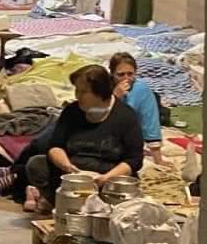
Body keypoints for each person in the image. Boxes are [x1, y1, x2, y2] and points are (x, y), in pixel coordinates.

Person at [27, 65, 143, 207]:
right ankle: (60, 202)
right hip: (74, 175)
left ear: (100, 92)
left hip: (107, 177)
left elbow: (134, 159)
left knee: (122, 190)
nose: (77, 96)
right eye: (77, 90)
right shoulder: (72, 111)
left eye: (83, 92)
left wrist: (106, 178)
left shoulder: (125, 116)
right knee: (36, 164)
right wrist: (67, 166)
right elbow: (55, 146)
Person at [109, 52, 165, 166]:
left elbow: (150, 123)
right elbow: (96, 113)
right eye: (120, 74)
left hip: (127, 138)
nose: (126, 78)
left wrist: (158, 160)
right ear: (112, 73)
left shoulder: (141, 89)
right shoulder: (103, 86)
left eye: (130, 74)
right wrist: (114, 97)